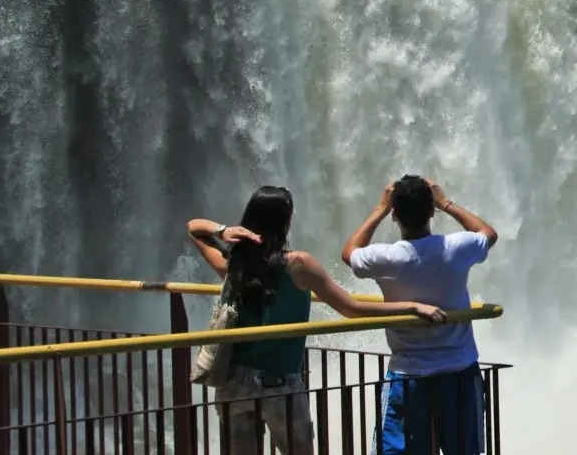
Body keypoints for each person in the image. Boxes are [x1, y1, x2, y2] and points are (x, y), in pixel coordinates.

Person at [187, 186, 448, 455]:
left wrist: (223, 230)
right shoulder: (299, 264)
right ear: (284, 221)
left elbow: (194, 228)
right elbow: (352, 308)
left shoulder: (235, 264)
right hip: (280, 384)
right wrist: (413, 306)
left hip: (233, 383)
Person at [342, 176, 498, 455]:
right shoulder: (455, 248)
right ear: (431, 213)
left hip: (408, 376)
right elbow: (488, 233)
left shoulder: (385, 257)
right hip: (460, 372)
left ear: (395, 215)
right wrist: (445, 202)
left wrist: (379, 209)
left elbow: (350, 253)